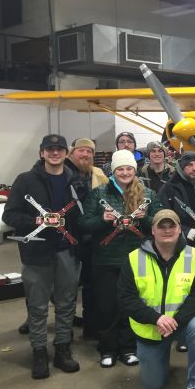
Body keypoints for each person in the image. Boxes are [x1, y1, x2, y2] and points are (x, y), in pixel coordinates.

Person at [3, 134, 83, 379]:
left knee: (67, 303)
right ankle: (39, 351)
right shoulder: (25, 180)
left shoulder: (76, 182)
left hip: (66, 252)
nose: (55, 153)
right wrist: (37, 221)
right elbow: (10, 216)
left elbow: (82, 216)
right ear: (42, 153)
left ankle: (62, 349)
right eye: (50, 149)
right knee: (37, 306)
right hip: (36, 253)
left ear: (66, 153)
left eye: (59, 149)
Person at [117, 210, 195, 389]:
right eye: (162, 226)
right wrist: (156, 319)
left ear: (179, 229)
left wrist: (174, 320)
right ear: (153, 230)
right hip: (151, 327)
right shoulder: (134, 259)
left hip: (183, 323)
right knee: (153, 385)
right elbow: (126, 298)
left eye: (172, 226)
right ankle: (160, 359)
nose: (167, 230)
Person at [80, 149, 162, 367]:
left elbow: (161, 224)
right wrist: (101, 220)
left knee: (131, 306)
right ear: (113, 171)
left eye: (128, 168)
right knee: (107, 306)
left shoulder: (148, 195)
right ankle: (107, 349)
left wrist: (146, 220)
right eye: (120, 169)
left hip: (137, 259)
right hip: (106, 260)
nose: (125, 173)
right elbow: (83, 225)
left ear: (134, 171)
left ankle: (128, 348)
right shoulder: (99, 195)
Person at [65, 137, 109, 339]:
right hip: (66, 238)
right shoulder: (62, 174)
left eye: (89, 152)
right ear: (71, 153)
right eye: (81, 150)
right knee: (65, 285)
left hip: (92, 238)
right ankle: (64, 332)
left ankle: (91, 326)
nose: (85, 155)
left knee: (92, 284)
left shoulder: (98, 175)